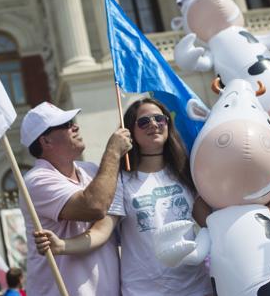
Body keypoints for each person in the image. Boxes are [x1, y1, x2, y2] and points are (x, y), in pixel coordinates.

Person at [35, 98, 212, 296]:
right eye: (144, 122)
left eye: (159, 119)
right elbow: (101, 232)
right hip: (143, 290)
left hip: (196, 288)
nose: (153, 124)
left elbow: (211, 223)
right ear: (130, 132)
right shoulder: (120, 180)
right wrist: (62, 245)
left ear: (168, 125)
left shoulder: (185, 173)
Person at [19, 102, 132, 296]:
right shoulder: (36, 180)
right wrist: (113, 152)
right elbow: (94, 207)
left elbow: (102, 228)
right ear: (45, 141)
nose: (76, 126)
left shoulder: (90, 170)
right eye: (66, 124)